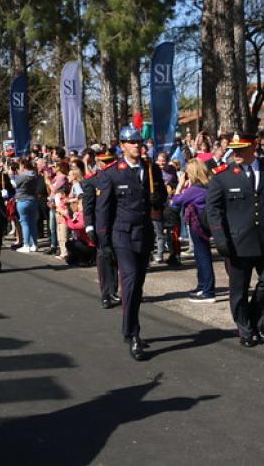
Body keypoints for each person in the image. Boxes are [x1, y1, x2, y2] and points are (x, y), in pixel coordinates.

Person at [206, 132, 264, 348]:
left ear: (254, 147)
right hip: (237, 242)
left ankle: (254, 318)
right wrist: (219, 237)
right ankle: (246, 327)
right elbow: (213, 210)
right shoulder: (222, 176)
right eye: (234, 149)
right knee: (238, 290)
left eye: (241, 148)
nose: (236, 153)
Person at [96, 125, 166, 360]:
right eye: (132, 142)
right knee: (131, 279)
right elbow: (103, 209)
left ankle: (129, 328)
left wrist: (160, 199)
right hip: (121, 233)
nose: (137, 146)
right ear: (123, 146)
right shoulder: (112, 173)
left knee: (138, 284)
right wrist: (103, 241)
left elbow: (162, 195)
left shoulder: (151, 169)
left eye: (139, 142)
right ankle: (133, 333)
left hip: (144, 233)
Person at [171, 159, 215, 302]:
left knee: (203, 257)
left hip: (198, 225)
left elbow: (175, 202)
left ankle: (208, 291)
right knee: (200, 255)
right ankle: (202, 285)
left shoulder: (195, 189)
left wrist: (180, 185)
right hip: (205, 224)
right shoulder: (209, 185)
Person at [82, 150, 121, 309]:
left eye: (111, 161)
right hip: (101, 226)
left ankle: (114, 291)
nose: (108, 165)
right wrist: (89, 226)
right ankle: (106, 294)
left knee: (116, 259)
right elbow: (88, 207)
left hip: (118, 224)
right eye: (105, 162)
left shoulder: (120, 178)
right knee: (104, 258)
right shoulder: (92, 181)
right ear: (99, 163)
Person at [13, 158, 39, 253]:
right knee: (32, 223)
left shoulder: (23, 176)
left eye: (20, 166)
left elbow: (15, 184)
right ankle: (34, 244)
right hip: (32, 200)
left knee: (24, 223)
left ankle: (26, 245)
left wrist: (12, 176)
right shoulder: (34, 175)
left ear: (23, 166)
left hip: (23, 200)